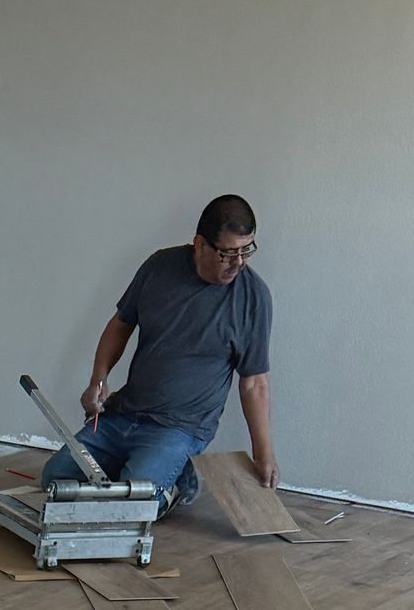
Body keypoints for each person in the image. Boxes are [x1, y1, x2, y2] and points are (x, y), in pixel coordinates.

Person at [40, 195, 276, 512]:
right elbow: (121, 324)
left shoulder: (253, 297)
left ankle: (173, 478)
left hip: (180, 428)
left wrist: (263, 454)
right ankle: (158, 472)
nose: (239, 263)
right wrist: (98, 381)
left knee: (134, 505)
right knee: (55, 481)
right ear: (200, 245)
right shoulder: (160, 266)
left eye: (247, 250)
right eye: (228, 253)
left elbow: (254, 383)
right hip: (123, 414)